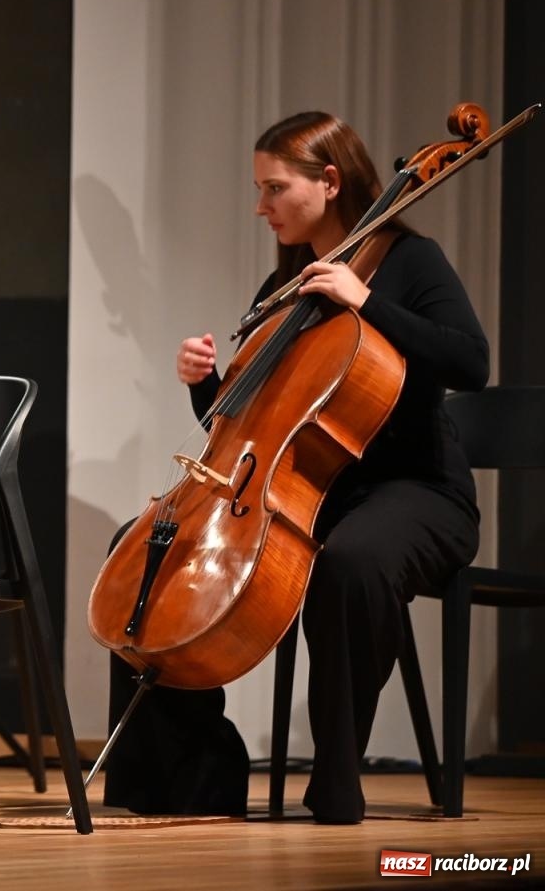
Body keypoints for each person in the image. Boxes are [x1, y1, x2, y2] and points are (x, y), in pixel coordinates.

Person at [101, 110, 488, 824]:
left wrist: (366, 302)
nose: (261, 206)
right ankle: (188, 775)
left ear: (330, 181)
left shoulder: (410, 261)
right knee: (148, 545)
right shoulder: (287, 285)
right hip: (313, 492)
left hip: (418, 490)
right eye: (259, 189)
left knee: (352, 561)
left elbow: (471, 362)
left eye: (274, 188)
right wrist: (206, 385)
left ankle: (336, 780)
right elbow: (254, 429)